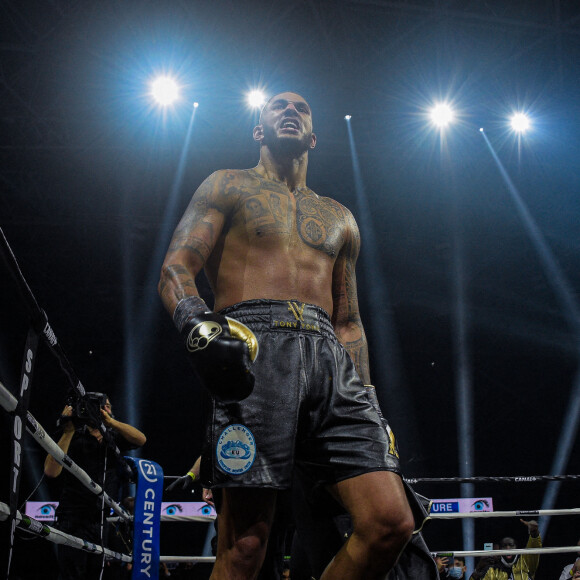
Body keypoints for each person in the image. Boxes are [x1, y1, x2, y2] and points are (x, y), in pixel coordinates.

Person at [158, 91, 415, 579]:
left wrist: (372, 404)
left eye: (301, 108)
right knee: (246, 545)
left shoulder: (341, 218)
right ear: (259, 131)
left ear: (314, 138)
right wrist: (199, 329)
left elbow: (349, 321)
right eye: (278, 106)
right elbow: (175, 268)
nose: (290, 111)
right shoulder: (227, 185)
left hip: (332, 361)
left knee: (389, 521)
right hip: (255, 350)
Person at [44, 393, 146, 580]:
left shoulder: (114, 437)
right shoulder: (71, 432)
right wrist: (68, 430)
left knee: (96, 574)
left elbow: (141, 439)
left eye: (107, 406)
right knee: (71, 574)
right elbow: (51, 471)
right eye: (97, 406)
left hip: (100, 519)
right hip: (72, 516)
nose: (103, 409)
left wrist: (110, 423)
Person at [469, 519, 541, 580]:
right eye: (504, 546)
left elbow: (534, 547)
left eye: (511, 545)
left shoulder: (525, 562)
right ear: (499, 549)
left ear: (516, 547)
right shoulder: (492, 571)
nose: (508, 548)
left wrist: (534, 533)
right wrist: (478, 569)